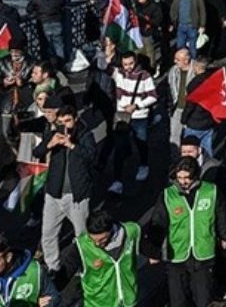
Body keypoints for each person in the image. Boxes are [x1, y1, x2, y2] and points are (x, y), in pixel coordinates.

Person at [143, 156, 226, 307]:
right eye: (179, 178)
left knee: (203, 298)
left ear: (196, 175)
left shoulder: (210, 191)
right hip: (177, 253)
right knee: (178, 300)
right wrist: (153, 251)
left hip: (202, 252)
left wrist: (225, 236)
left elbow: (221, 215)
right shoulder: (168, 195)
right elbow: (158, 223)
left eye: (187, 178)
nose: (183, 182)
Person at [33, 105, 95, 273]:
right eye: (61, 122)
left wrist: (72, 145)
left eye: (68, 121)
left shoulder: (84, 134)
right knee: (48, 235)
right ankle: (53, 267)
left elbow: (91, 156)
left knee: (82, 235)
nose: (65, 126)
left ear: (75, 118)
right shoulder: (54, 135)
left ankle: (85, 266)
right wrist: (50, 144)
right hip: (54, 194)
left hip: (76, 195)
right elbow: (36, 152)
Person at [58, 211, 141, 307]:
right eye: (92, 239)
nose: (96, 244)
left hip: (128, 300)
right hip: (98, 303)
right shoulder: (81, 246)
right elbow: (65, 272)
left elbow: (147, 246)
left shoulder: (131, 232)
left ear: (111, 230)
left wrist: (155, 254)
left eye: (102, 239)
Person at [109, 51, 157, 195]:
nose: (128, 67)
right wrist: (106, 52)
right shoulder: (118, 74)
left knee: (141, 142)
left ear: (135, 61)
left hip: (139, 116)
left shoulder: (145, 76)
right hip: (122, 116)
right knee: (119, 148)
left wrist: (137, 106)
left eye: (131, 64)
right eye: (125, 64)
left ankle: (143, 164)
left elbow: (153, 96)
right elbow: (103, 66)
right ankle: (117, 180)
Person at [27, 0, 69, 64]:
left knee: (46, 45)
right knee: (59, 45)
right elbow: (65, 2)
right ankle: (61, 64)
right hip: (57, 22)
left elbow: (29, 9)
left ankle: (49, 65)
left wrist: (37, 11)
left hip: (43, 23)